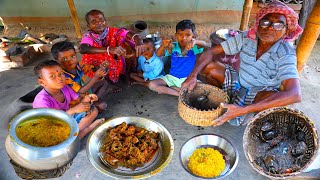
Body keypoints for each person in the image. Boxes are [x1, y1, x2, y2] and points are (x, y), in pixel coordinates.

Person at [181, 1, 303, 126]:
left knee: (274, 103)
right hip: (238, 82)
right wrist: (192, 76)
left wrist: (243, 110)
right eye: (265, 22)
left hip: (259, 93)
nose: (270, 27)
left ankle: (244, 113)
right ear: (258, 24)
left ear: (286, 31)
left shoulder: (285, 53)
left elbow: (295, 94)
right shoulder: (246, 38)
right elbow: (210, 52)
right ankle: (223, 99)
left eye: (278, 25)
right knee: (207, 66)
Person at [33, 60, 104, 139]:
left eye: (61, 73)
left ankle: (74, 136)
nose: (59, 78)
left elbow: (79, 101)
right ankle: (86, 131)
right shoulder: (42, 101)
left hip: (68, 119)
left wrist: (86, 99)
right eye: (52, 76)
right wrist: (73, 110)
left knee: (93, 110)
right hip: (53, 127)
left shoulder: (65, 88)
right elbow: (49, 125)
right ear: (42, 82)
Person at [79, 9, 146, 92]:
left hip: (111, 58)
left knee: (126, 47)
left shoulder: (112, 31)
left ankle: (123, 75)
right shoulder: (88, 36)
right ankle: (108, 84)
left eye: (101, 20)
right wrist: (108, 49)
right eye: (94, 21)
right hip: (96, 61)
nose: (99, 23)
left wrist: (138, 39)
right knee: (104, 67)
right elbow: (83, 49)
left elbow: (125, 33)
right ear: (88, 25)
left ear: (105, 21)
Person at [148, 20, 210, 96]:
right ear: (176, 35)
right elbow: (158, 54)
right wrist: (163, 46)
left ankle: (173, 89)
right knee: (152, 84)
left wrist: (195, 42)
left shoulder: (194, 47)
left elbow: (206, 46)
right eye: (180, 34)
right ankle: (180, 94)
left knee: (204, 90)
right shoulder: (172, 46)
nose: (184, 38)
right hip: (171, 78)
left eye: (188, 35)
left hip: (188, 79)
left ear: (193, 36)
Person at [51, 41, 107, 111]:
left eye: (72, 56)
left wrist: (100, 67)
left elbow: (91, 68)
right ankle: (90, 105)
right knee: (102, 106)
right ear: (57, 61)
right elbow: (81, 91)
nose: (70, 61)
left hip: (86, 92)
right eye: (64, 59)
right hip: (76, 101)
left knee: (104, 82)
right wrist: (95, 77)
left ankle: (93, 100)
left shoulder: (78, 65)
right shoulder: (63, 76)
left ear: (76, 54)